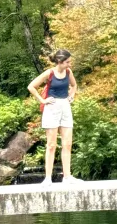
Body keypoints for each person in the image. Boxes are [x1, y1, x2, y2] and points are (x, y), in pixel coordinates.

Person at [28, 49, 81, 186]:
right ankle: (47, 178)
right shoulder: (49, 73)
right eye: (67, 62)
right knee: (51, 145)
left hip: (65, 106)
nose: (70, 64)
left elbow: (74, 85)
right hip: (51, 108)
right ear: (60, 61)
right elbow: (31, 86)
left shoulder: (68, 72)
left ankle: (67, 176)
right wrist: (42, 100)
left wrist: (72, 95)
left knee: (67, 144)